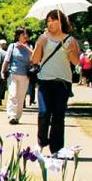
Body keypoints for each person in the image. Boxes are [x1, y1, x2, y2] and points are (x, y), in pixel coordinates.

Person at [31, 10, 81, 155]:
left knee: (59, 115)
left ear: (61, 21)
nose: (50, 23)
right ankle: (41, 141)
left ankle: (57, 148)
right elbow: (35, 60)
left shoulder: (70, 40)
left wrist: (70, 51)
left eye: (54, 20)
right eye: (48, 21)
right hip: (45, 80)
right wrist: (39, 44)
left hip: (63, 82)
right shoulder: (43, 38)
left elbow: (76, 62)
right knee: (44, 112)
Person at [2, 27, 33, 124]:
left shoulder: (29, 47)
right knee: (13, 94)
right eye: (23, 34)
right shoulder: (12, 46)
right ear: (18, 36)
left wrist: (25, 47)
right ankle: (11, 115)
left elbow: (34, 58)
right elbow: (7, 60)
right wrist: (3, 71)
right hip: (13, 74)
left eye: (26, 34)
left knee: (21, 97)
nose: (25, 36)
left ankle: (17, 117)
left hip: (25, 75)